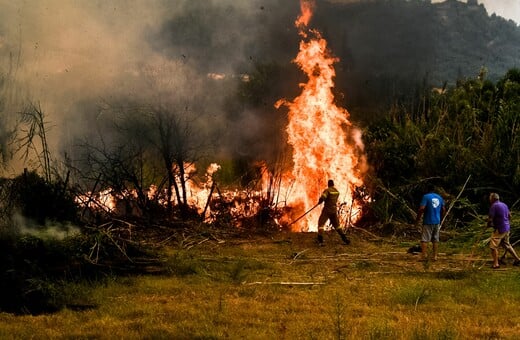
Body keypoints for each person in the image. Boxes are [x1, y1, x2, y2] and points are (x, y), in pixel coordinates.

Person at [487, 192, 520, 269]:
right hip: (507, 228)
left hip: (500, 229)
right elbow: (510, 216)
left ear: (492, 199)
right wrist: (505, 222)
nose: (489, 199)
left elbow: (490, 219)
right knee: (506, 245)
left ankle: (496, 264)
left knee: (493, 246)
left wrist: (489, 224)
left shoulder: (494, 206)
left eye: (490, 198)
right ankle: (517, 259)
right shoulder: (504, 204)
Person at [415, 184, 445, 261]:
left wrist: (418, 217)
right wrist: (441, 217)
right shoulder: (439, 197)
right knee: (435, 239)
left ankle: (424, 256)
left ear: (427, 190)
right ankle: (435, 256)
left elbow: (422, 208)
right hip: (437, 221)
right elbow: (443, 209)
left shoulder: (426, 197)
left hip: (428, 220)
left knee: (424, 239)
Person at [317, 180, 350, 246]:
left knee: (321, 223)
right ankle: (345, 239)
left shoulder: (327, 190)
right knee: (337, 225)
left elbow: (323, 197)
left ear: (328, 184)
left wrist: (320, 201)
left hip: (327, 210)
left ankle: (320, 241)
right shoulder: (337, 192)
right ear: (333, 184)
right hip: (334, 210)